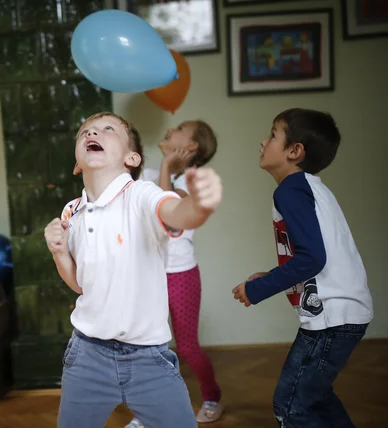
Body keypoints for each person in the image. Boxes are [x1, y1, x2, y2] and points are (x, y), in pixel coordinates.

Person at [44, 112, 223, 427]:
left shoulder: (141, 194)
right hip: (87, 356)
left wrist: (199, 205)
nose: (92, 133)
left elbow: (176, 213)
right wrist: (60, 254)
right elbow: (79, 285)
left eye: (107, 129)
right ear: (77, 163)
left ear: (132, 157)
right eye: (85, 130)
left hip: (148, 360)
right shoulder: (72, 212)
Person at [232, 108, 373, 427]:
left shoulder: (291, 190)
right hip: (343, 312)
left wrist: (257, 289)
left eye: (272, 135)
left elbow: (312, 258)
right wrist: (272, 275)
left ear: (294, 151)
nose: (263, 141)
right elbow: (319, 255)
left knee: (291, 405)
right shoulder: (311, 189)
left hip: (330, 318)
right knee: (316, 398)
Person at [126, 120, 223, 427]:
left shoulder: (188, 182)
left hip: (181, 275)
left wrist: (168, 165)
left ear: (191, 147)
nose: (170, 128)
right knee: (146, 347)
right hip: (149, 274)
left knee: (187, 347)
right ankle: (147, 414)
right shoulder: (151, 176)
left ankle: (212, 397)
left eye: (180, 128)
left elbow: (172, 218)